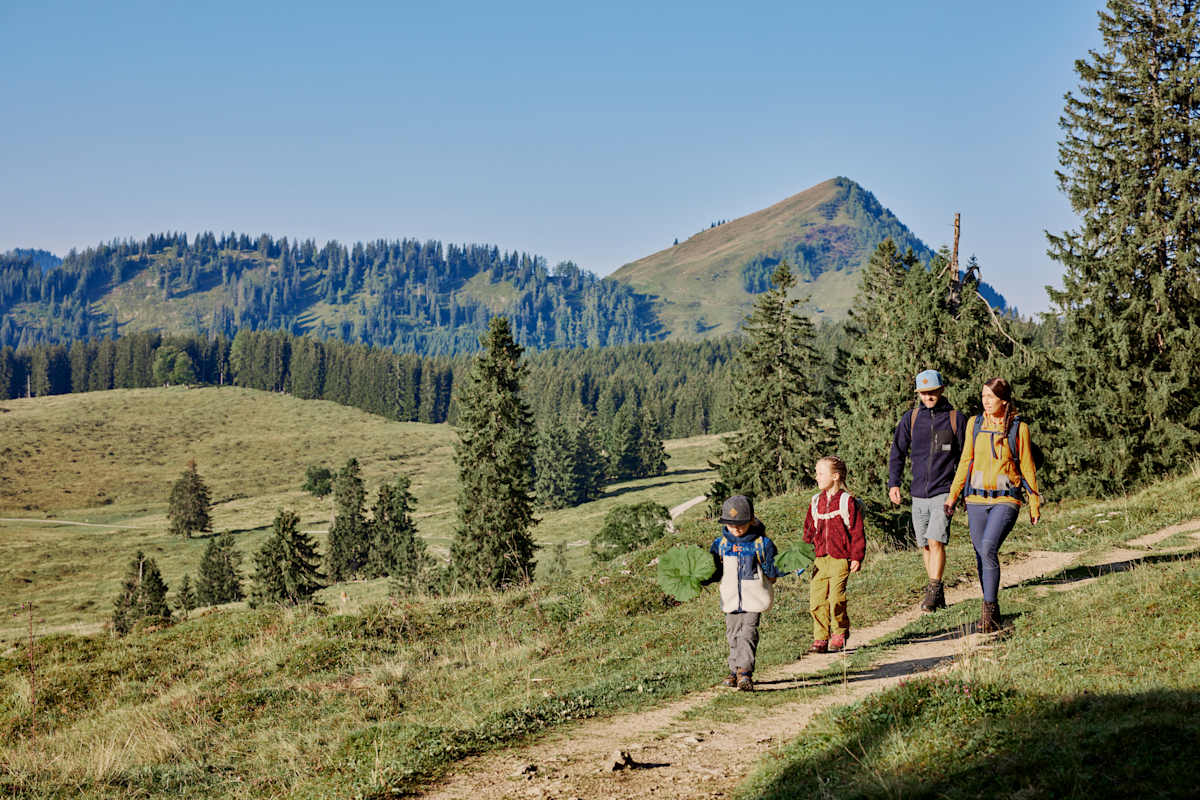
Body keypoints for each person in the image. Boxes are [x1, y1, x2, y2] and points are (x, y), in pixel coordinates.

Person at [945, 377, 1041, 633]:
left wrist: (1034, 503)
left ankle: (989, 610)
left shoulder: (1019, 429)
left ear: (1004, 400)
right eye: (983, 396)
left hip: (1006, 499)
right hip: (975, 499)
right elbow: (966, 460)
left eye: (991, 397)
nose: (985, 401)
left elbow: (1028, 467)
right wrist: (953, 495)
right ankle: (991, 610)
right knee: (981, 553)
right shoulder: (974, 424)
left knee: (988, 547)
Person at [888, 369, 966, 612]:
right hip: (918, 493)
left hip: (944, 490)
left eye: (932, 391)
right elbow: (897, 453)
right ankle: (938, 592)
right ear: (918, 394)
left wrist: (959, 490)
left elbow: (966, 456)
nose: (928, 396)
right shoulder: (910, 419)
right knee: (924, 544)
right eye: (923, 392)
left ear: (941, 390)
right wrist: (894, 483)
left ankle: (932, 591)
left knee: (936, 540)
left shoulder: (955, 418)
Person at [706, 494, 780, 692]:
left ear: (752, 520)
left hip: (753, 598)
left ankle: (744, 672)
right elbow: (714, 571)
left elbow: (772, 568)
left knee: (748, 634)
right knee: (733, 635)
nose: (736, 529)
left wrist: (780, 571)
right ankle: (734, 670)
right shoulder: (720, 545)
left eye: (740, 524)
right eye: (730, 525)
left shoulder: (761, 544)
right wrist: (701, 577)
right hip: (730, 599)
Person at [803, 456, 866, 654]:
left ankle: (839, 632)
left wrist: (856, 556)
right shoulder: (815, 502)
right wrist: (803, 554)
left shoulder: (847, 501)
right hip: (820, 560)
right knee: (817, 600)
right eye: (816, 472)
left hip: (840, 559)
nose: (816, 477)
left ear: (836, 476)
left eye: (821, 473)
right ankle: (820, 638)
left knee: (836, 598)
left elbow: (856, 531)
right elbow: (808, 531)